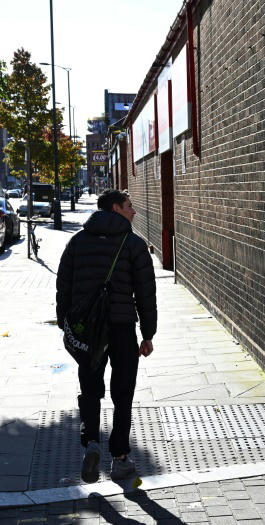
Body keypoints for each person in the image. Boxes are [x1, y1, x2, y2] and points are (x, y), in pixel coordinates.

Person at [56, 190, 157, 483]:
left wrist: (67, 323)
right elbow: (145, 293)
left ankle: (91, 444)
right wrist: (147, 333)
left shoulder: (77, 242)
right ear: (116, 208)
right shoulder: (133, 244)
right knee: (122, 392)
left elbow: (64, 286)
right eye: (129, 206)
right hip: (122, 327)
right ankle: (120, 457)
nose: (134, 211)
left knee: (90, 388)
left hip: (89, 330)